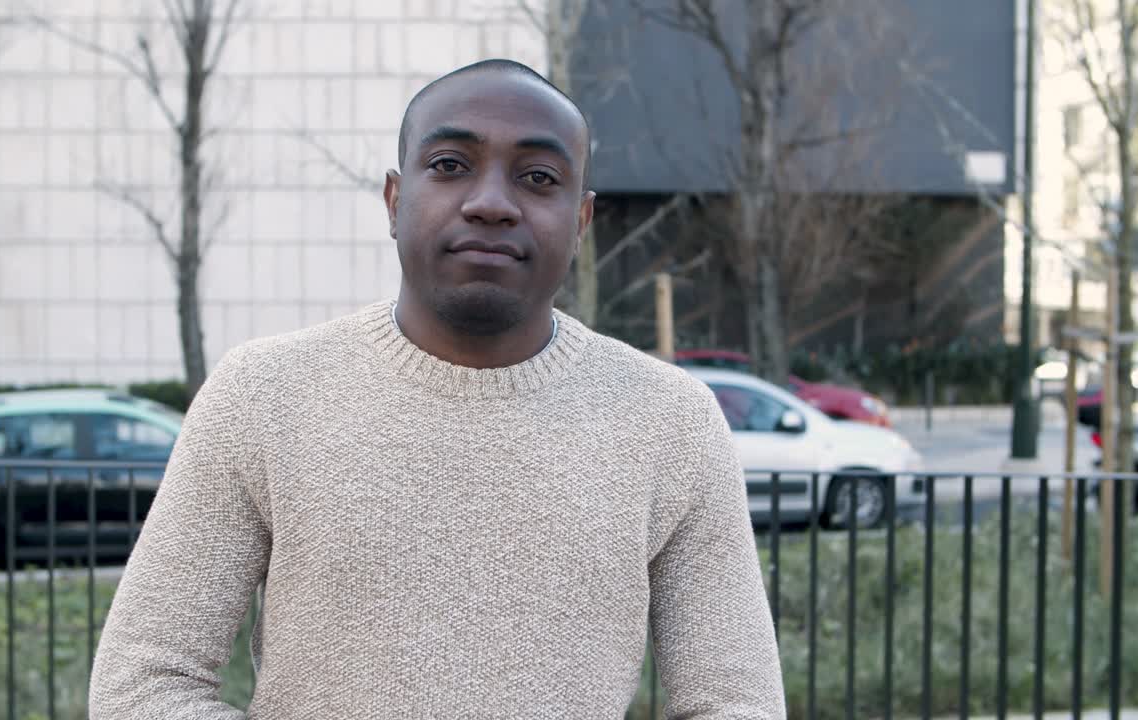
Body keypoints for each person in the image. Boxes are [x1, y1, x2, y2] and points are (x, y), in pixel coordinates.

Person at [89, 58, 785, 719]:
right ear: (396, 200)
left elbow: (736, 701)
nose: (490, 203)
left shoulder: (672, 423)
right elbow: (144, 684)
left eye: (539, 177)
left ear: (580, 222)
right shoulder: (262, 395)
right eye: (450, 166)